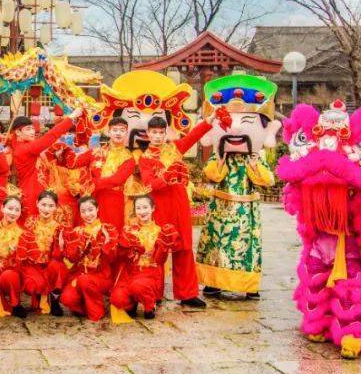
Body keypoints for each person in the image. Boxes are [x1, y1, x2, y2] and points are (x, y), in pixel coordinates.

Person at [195, 75, 280, 299]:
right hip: (220, 206)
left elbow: (268, 180)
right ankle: (214, 282)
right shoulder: (219, 156)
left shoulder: (254, 156)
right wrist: (220, 163)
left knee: (246, 248)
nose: (234, 130)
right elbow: (211, 174)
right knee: (217, 246)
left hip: (246, 209)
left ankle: (248, 284)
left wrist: (254, 166)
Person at [139, 111, 215, 308]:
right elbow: (149, 184)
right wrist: (167, 177)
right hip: (159, 207)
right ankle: (154, 292)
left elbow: (192, 137)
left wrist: (208, 121)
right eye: (154, 132)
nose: (157, 136)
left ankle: (187, 293)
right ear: (148, 134)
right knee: (158, 250)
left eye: (161, 132)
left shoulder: (175, 149)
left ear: (165, 133)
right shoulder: (145, 158)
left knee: (184, 248)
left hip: (179, 204)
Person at [110, 195, 178, 320]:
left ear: (152, 208)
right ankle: (131, 304)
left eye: (145, 207)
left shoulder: (159, 231)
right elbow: (121, 256)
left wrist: (163, 246)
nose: (142, 211)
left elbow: (160, 261)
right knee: (116, 298)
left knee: (138, 286)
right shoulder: (129, 229)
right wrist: (124, 247)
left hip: (150, 273)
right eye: (139, 208)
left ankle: (149, 305)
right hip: (130, 272)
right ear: (134, 210)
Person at [8, 108, 83, 217]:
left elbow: (40, 162)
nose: (33, 132)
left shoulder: (24, 147)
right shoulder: (24, 148)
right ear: (18, 132)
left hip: (40, 190)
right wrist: (71, 117)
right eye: (28, 129)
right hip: (32, 193)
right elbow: (50, 136)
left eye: (33, 129)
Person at [70, 117, 137, 234]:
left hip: (113, 201)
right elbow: (74, 163)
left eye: (122, 130)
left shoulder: (129, 158)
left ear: (126, 133)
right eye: (115, 130)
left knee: (111, 233)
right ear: (108, 132)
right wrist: (59, 153)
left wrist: (92, 183)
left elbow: (117, 180)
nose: (118, 133)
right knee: (88, 234)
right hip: (92, 199)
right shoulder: (95, 152)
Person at [58, 196, 117, 322]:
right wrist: (65, 248)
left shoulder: (108, 229)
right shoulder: (77, 231)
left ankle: (96, 311)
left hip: (101, 276)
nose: (87, 214)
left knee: (85, 281)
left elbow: (112, 258)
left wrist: (107, 244)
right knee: (66, 299)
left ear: (97, 209)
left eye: (90, 210)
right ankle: (86, 306)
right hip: (80, 275)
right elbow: (73, 259)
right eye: (83, 211)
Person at [17, 190, 67, 316]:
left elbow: (58, 256)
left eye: (51, 206)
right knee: (32, 286)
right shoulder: (30, 222)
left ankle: (54, 300)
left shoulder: (59, 227)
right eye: (43, 205)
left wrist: (60, 246)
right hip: (32, 266)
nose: (46, 209)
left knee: (56, 265)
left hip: (49, 266)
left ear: (56, 207)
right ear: (37, 204)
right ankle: (40, 294)